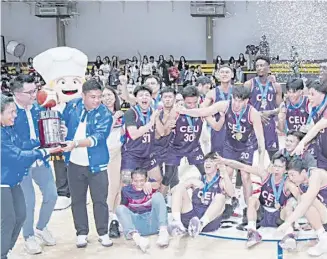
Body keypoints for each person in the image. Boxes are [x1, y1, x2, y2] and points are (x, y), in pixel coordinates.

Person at [178, 86, 266, 222]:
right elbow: (204, 111)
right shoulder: (224, 105)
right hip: (230, 145)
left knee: (245, 175)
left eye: (240, 101)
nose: (236, 104)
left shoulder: (252, 113)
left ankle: (249, 209)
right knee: (227, 173)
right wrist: (184, 111)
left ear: (247, 101)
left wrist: (260, 162)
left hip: (246, 146)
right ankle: (226, 205)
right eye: (234, 100)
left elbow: (261, 140)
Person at [1, 95, 61, 259]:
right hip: (3, 182)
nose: (14, 115)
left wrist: (47, 140)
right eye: (11, 112)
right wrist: (46, 151)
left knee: (19, 216)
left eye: (14, 111)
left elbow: (22, 144)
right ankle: (3, 253)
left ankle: (6, 251)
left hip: (13, 179)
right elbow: (18, 155)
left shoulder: (7, 129)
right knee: (8, 220)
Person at [33, 46, 88, 211]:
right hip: (57, 145)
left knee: (78, 167)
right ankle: (63, 193)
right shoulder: (49, 106)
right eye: (62, 82)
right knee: (59, 167)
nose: (68, 86)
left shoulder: (81, 104)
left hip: (77, 142)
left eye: (74, 82)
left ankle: (79, 194)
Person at [61, 79, 113, 248]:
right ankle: (81, 232)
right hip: (74, 164)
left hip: (97, 165)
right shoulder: (73, 105)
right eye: (92, 97)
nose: (97, 100)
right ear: (83, 95)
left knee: (100, 200)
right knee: (77, 200)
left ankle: (103, 232)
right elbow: (62, 121)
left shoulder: (104, 113)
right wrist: (61, 129)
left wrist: (75, 143)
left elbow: (98, 138)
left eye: (99, 97)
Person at [216, 153, 300, 249]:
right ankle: (252, 233)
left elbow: (300, 198)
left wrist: (295, 213)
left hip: (279, 215)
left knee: (289, 208)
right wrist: (224, 160)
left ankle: (289, 236)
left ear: (285, 169)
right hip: (262, 213)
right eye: (275, 165)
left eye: (280, 167)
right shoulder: (265, 175)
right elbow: (242, 166)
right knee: (252, 199)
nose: (276, 169)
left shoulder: (288, 183)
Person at [168, 152, 234, 237]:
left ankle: (200, 224)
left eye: (211, 161)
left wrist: (224, 173)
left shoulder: (221, 181)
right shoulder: (197, 180)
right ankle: (177, 223)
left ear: (217, 166)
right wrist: (189, 182)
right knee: (179, 188)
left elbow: (232, 193)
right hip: (192, 217)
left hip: (209, 221)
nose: (207, 163)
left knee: (220, 197)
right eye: (206, 161)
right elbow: (172, 191)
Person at [277, 158, 327, 257]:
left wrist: (288, 222)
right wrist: (311, 221)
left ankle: (324, 239)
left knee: (305, 199)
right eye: (289, 175)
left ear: (303, 172)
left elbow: (306, 202)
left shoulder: (315, 175)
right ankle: (322, 236)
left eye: (293, 175)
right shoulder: (301, 184)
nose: (290, 178)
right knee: (301, 200)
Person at [116, 168, 169, 253]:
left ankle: (163, 232)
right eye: (135, 181)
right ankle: (137, 239)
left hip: (153, 222)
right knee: (119, 208)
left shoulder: (150, 185)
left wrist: (150, 184)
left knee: (158, 195)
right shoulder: (126, 190)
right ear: (131, 180)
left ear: (146, 179)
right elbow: (124, 209)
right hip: (138, 225)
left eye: (141, 181)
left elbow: (158, 185)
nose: (139, 184)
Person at [163, 86, 206, 189]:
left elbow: (215, 125)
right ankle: (162, 198)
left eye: (194, 103)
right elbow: (165, 130)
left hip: (193, 147)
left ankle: (208, 194)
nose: (192, 106)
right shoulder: (176, 111)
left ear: (198, 100)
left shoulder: (202, 110)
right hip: (175, 147)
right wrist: (169, 124)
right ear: (183, 100)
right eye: (189, 103)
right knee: (168, 175)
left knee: (205, 172)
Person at [121, 85, 162, 185]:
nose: (144, 97)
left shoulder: (153, 112)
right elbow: (134, 134)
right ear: (135, 98)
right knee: (127, 184)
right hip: (132, 155)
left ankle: (149, 200)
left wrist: (158, 119)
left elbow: (160, 133)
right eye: (141, 95)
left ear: (151, 98)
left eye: (147, 95)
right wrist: (151, 123)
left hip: (148, 155)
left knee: (158, 180)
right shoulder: (130, 113)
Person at [244, 55, 283, 159]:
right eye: (257, 66)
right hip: (252, 125)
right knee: (245, 157)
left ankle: (274, 175)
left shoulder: (276, 86)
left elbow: (280, 109)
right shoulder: (249, 84)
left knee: (274, 157)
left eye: (262, 65)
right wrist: (256, 115)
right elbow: (243, 107)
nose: (259, 68)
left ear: (268, 67)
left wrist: (268, 113)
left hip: (269, 124)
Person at [101, 86, 125, 238]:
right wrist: (113, 118)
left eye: (110, 94)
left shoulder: (122, 114)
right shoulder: (100, 114)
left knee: (120, 187)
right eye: (104, 95)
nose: (108, 97)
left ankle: (115, 218)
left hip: (121, 152)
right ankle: (108, 218)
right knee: (112, 187)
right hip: (107, 154)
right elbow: (103, 134)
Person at [292, 80, 327, 169]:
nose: (309, 97)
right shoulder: (315, 108)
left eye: (312, 94)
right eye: (308, 94)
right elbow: (314, 128)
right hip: (322, 153)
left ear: (323, 94)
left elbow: (318, 127)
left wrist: (302, 143)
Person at [202, 65, 233, 156]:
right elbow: (202, 108)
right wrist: (212, 122)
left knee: (236, 160)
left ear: (232, 75)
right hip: (219, 130)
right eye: (222, 72)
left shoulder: (237, 91)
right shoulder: (212, 93)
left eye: (227, 72)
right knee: (217, 158)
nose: (224, 74)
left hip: (234, 128)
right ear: (218, 75)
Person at [152, 87, 178, 194]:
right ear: (161, 99)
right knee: (158, 177)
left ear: (174, 98)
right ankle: (159, 199)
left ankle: (163, 198)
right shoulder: (156, 114)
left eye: (170, 97)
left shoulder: (179, 112)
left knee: (169, 175)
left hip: (172, 148)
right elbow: (158, 135)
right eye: (165, 97)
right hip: (156, 148)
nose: (167, 99)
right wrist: (164, 121)